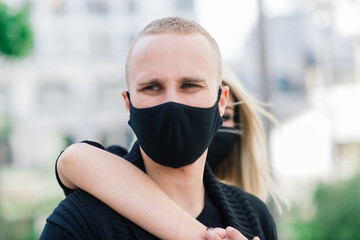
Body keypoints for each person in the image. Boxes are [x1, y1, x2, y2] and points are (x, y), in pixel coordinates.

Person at [40, 17, 277, 240]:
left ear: (221, 101)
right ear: (128, 103)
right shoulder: (77, 222)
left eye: (190, 85)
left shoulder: (255, 217)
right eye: (152, 87)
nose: (171, 102)